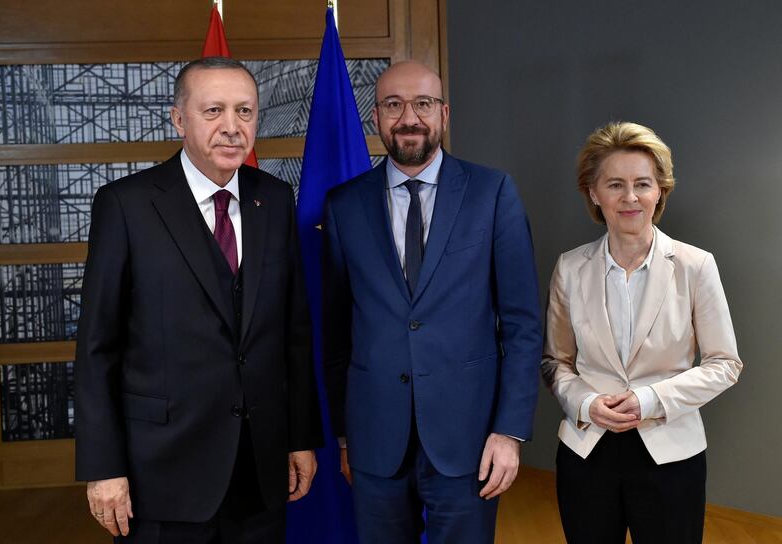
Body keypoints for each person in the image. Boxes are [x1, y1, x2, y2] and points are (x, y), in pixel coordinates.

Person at [74, 56, 323, 543]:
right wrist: (103, 467)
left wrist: (299, 439)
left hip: (261, 468)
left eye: (245, 112)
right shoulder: (126, 204)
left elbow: (293, 332)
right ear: (178, 119)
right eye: (213, 111)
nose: (232, 128)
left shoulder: (274, 199)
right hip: (163, 471)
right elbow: (97, 347)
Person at [322, 60, 542, 543]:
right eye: (393, 104)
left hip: (470, 441)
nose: (409, 117)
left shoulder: (492, 192)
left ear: (443, 113)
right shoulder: (343, 205)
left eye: (422, 103)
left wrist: (510, 433)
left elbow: (524, 325)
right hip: (375, 441)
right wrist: (344, 434)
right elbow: (337, 333)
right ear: (376, 116)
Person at [541, 121, 743, 543]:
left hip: (671, 454)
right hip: (586, 450)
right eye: (615, 184)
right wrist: (587, 402)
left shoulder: (695, 265)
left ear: (660, 191)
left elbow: (725, 364)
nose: (630, 197)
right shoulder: (570, 268)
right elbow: (555, 362)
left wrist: (649, 399)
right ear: (594, 194)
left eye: (643, 184)